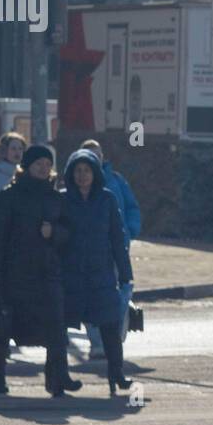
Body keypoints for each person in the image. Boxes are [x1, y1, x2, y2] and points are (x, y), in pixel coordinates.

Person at [0, 145, 80, 397]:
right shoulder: (9, 196)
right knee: (4, 326)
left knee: (56, 325)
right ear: (26, 167)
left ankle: (58, 377)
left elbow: (69, 233)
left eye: (47, 164)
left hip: (47, 272)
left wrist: (54, 234)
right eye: (38, 163)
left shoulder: (56, 198)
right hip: (15, 273)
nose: (43, 168)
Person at [59, 149, 134, 396]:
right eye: (78, 171)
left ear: (95, 174)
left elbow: (117, 237)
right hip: (70, 275)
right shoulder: (62, 200)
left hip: (100, 273)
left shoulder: (107, 199)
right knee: (59, 328)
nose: (82, 176)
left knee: (110, 326)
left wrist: (124, 272)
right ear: (71, 174)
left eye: (87, 171)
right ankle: (59, 376)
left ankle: (117, 374)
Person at [77, 139, 140, 359]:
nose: (94, 158)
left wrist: (131, 229)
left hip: (117, 247)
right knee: (90, 295)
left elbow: (131, 206)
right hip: (88, 251)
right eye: (89, 154)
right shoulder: (77, 183)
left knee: (119, 293)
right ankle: (96, 342)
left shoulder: (116, 180)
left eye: (98, 154)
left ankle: (113, 339)